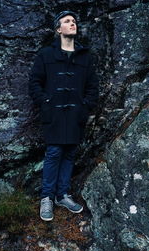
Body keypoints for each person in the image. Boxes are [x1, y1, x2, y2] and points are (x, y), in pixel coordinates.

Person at [29, 11, 98, 221]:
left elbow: (93, 87)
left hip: (76, 114)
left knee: (69, 154)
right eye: (67, 21)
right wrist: (46, 102)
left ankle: (63, 195)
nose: (72, 24)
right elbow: (34, 83)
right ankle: (47, 197)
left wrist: (84, 106)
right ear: (58, 29)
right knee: (54, 153)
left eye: (74, 21)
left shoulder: (85, 56)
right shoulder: (46, 54)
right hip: (54, 114)